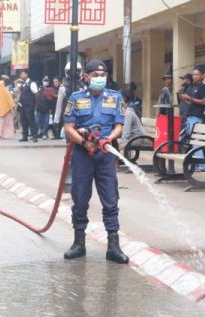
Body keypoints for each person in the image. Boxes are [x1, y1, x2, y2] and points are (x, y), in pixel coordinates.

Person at [62, 59, 129, 264]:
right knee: (80, 197)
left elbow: (119, 125)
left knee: (110, 198)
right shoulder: (76, 98)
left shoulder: (116, 98)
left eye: (103, 75)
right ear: (87, 77)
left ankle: (113, 245)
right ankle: (78, 243)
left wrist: (110, 139)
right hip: (83, 154)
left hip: (105, 154)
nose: (100, 79)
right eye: (95, 75)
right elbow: (68, 127)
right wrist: (84, 141)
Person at [179, 65, 205, 170]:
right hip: (190, 116)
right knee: (192, 142)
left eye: (196, 74)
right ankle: (197, 163)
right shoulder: (192, 86)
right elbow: (189, 102)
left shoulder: (203, 87)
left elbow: (203, 102)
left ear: (201, 76)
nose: (194, 76)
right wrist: (184, 97)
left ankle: (202, 165)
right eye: (193, 74)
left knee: (196, 141)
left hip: (197, 117)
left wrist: (190, 98)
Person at [17, 69, 38, 142]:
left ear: (27, 75)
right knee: (23, 121)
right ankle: (24, 136)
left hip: (30, 106)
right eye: (21, 74)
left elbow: (36, 94)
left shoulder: (32, 83)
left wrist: (35, 104)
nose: (21, 76)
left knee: (31, 121)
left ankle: (34, 136)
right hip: (23, 106)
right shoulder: (23, 84)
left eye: (22, 74)